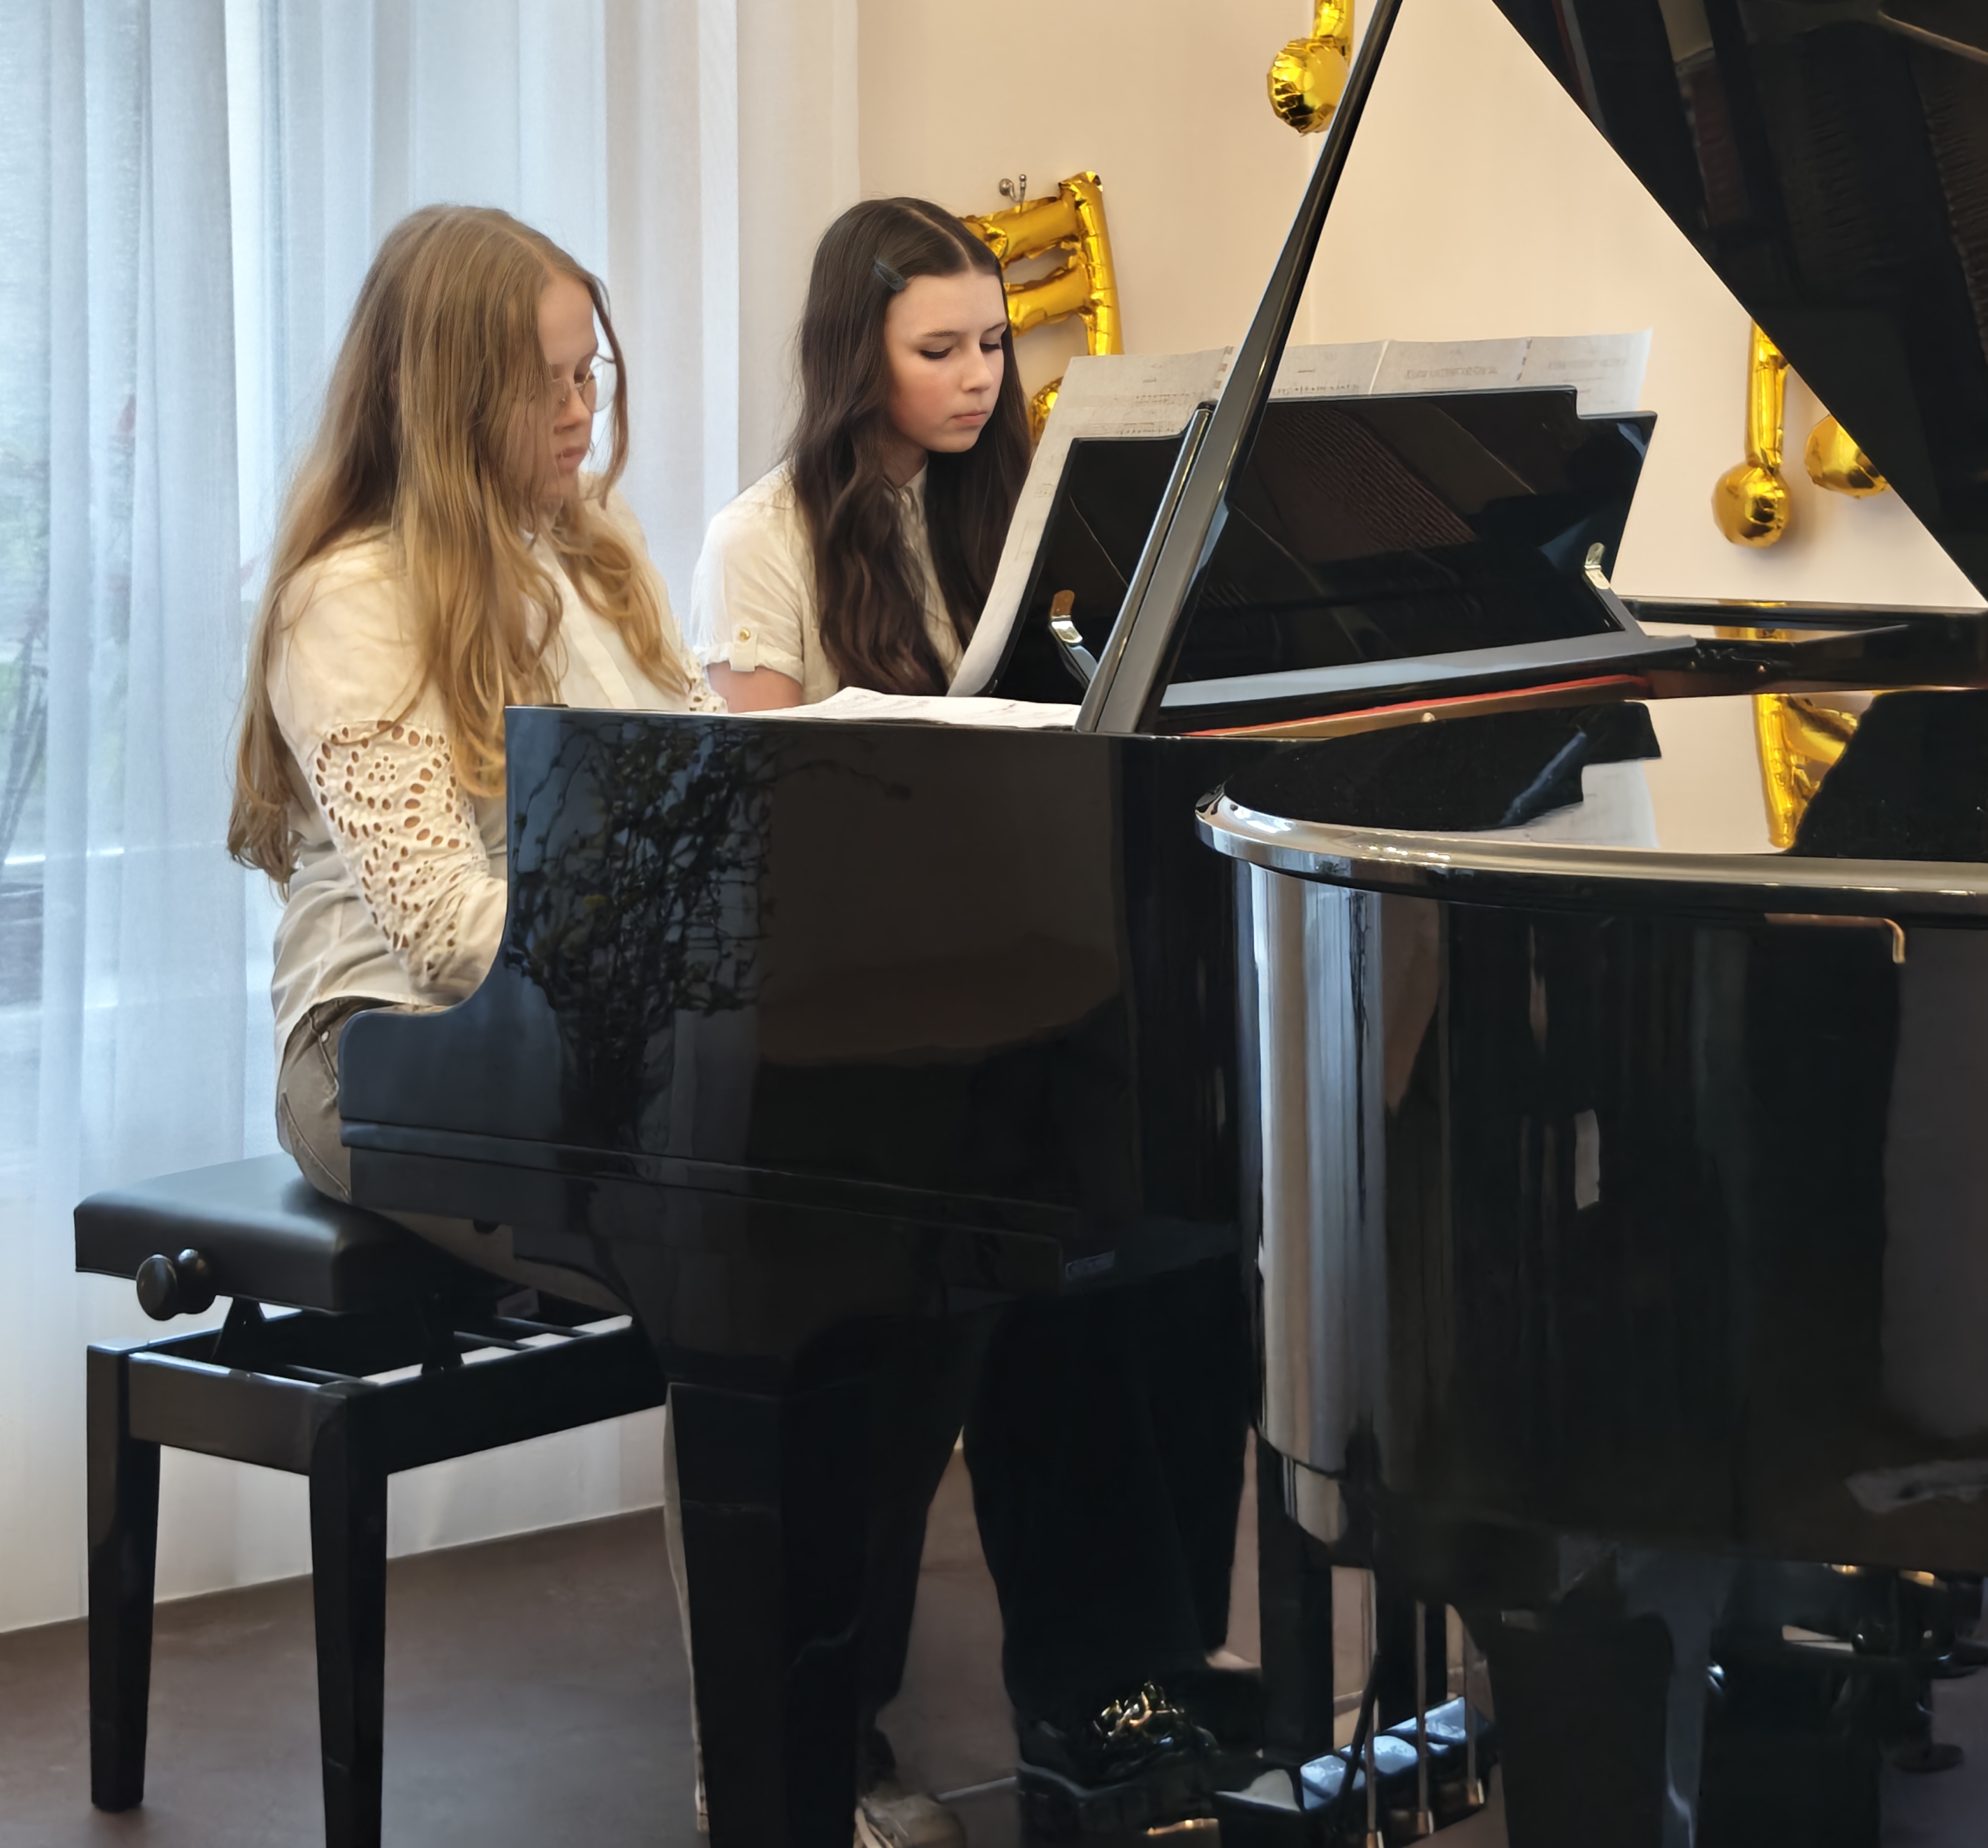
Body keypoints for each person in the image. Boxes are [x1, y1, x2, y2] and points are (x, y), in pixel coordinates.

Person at [692, 198, 1249, 1848]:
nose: (978, 375)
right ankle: (876, 1721)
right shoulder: (762, 537)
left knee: (1180, 1252)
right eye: (937, 347)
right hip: (859, 1019)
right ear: (851, 355)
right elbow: (772, 820)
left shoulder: (1024, 508)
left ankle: (1132, 1688)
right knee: (982, 1285)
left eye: (993, 342)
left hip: (1023, 988)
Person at [230, 202, 717, 1265]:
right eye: (541, 386)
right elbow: (444, 932)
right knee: (721, 1239)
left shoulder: (600, 541)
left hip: (607, 1011)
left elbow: (711, 783)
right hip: (381, 1038)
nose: (577, 414)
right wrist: (682, 963)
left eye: (586, 375)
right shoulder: (348, 596)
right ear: (441, 400)